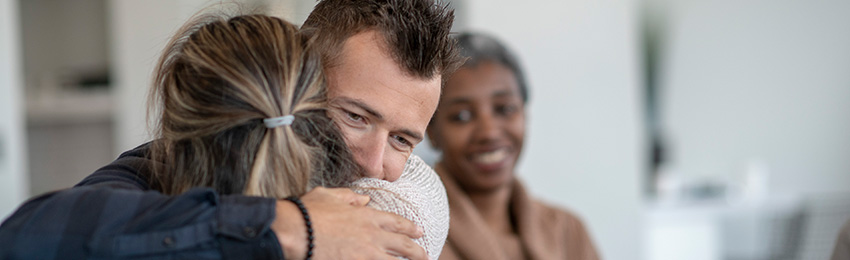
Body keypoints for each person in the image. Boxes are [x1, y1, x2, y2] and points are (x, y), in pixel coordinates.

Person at [0, 0, 462, 258]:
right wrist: (287, 227)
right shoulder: (171, 167)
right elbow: (26, 238)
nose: (372, 163)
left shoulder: (406, 195)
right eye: (355, 117)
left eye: (402, 140)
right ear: (299, 78)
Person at [425, 32, 600, 260]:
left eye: (504, 109)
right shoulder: (410, 233)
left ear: (525, 115)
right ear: (430, 131)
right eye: (462, 116)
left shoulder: (567, 232)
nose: (488, 132)